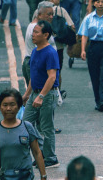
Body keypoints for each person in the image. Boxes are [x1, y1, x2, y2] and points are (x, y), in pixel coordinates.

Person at [0, 89, 46, 179]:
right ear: (0, 106)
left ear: (19, 106)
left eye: (12, 105)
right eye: (5, 105)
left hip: (23, 176)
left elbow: (37, 152)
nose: (8, 108)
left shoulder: (27, 127)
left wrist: (43, 175)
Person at [22, 20, 60, 167]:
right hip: (34, 94)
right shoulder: (34, 51)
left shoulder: (50, 52)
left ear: (45, 35)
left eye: (37, 32)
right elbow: (34, 75)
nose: (33, 34)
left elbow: (52, 77)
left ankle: (50, 158)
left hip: (47, 95)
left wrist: (42, 96)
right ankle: (42, 152)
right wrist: (27, 94)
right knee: (26, 124)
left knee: (46, 128)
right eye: (33, 31)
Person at [44, 0, 74, 90]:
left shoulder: (40, 10)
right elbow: (71, 26)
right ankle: (57, 93)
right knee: (57, 70)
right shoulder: (61, 10)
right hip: (59, 46)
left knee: (45, 70)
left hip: (44, 46)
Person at [23, 1, 56, 87]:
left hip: (37, 63)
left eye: (52, 14)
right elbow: (39, 50)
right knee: (38, 92)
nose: (51, 17)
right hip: (37, 64)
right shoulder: (36, 28)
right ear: (39, 15)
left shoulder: (41, 26)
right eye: (48, 14)